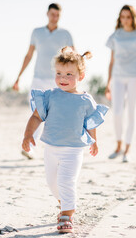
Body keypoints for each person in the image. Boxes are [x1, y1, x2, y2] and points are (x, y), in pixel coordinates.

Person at [22, 47, 108, 233]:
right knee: (52, 183)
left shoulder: (85, 100)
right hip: (51, 149)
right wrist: (28, 135)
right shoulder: (51, 96)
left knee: (66, 181)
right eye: (59, 73)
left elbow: (90, 122)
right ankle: (66, 203)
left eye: (69, 74)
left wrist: (93, 141)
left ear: (81, 76)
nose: (63, 78)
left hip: (73, 150)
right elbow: (36, 117)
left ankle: (67, 215)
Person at [13, 3, 74, 159]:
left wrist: (73, 80)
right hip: (38, 79)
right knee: (36, 112)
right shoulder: (37, 32)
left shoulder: (65, 34)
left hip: (58, 80)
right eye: (52, 14)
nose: (54, 17)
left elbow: (74, 58)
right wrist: (18, 77)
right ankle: (30, 146)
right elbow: (29, 55)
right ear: (47, 14)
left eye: (57, 15)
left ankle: (41, 148)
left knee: (51, 115)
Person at [104, 4, 136, 163]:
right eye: (122, 17)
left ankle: (127, 150)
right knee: (117, 112)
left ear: (133, 18)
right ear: (120, 18)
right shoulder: (115, 35)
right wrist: (108, 83)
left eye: (128, 17)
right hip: (118, 77)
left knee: (131, 113)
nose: (125, 20)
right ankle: (118, 146)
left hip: (135, 77)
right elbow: (111, 62)